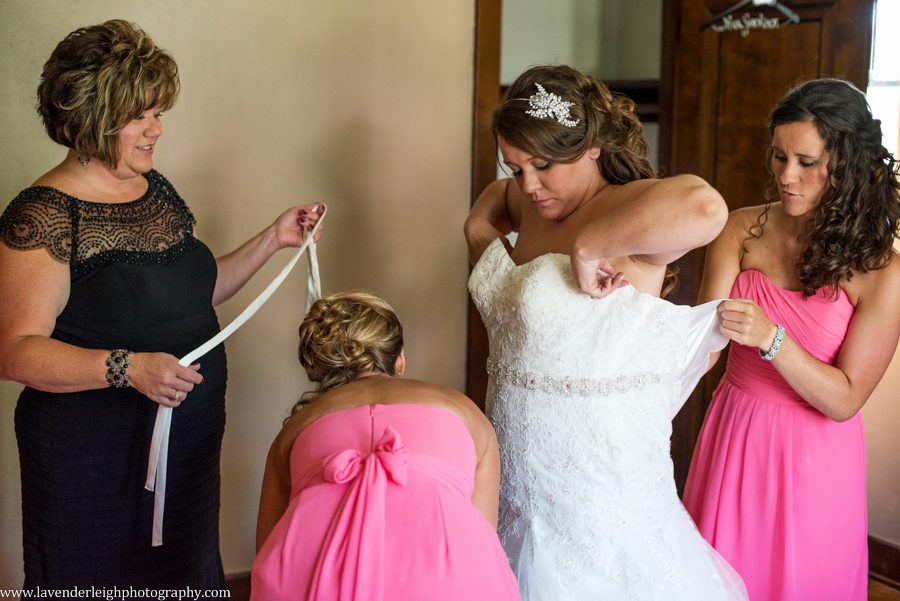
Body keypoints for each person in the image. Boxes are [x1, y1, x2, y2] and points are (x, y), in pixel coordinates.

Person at [0, 19, 324, 587]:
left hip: (188, 439)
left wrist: (273, 240)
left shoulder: (154, 188)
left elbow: (191, 296)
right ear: (95, 119)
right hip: (93, 456)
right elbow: (15, 352)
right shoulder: (43, 214)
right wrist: (130, 369)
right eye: (139, 116)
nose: (156, 130)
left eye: (157, 112)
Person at [465, 64, 747, 600]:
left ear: (592, 146)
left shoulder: (628, 204)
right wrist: (478, 233)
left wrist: (589, 246)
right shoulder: (527, 197)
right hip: (519, 470)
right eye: (515, 165)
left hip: (597, 476)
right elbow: (492, 205)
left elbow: (708, 208)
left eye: (543, 165)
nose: (528, 184)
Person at [683, 78, 900, 601]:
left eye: (806, 162)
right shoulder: (740, 230)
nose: (785, 176)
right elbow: (701, 348)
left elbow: (845, 398)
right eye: (778, 157)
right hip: (736, 433)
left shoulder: (882, 271)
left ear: (846, 165)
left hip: (815, 458)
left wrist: (772, 338)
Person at [251, 291, 519, 601]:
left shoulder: (293, 432)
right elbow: (482, 535)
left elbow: (268, 546)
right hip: (447, 584)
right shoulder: (464, 412)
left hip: (309, 582)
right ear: (400, 359)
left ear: (321, 371)